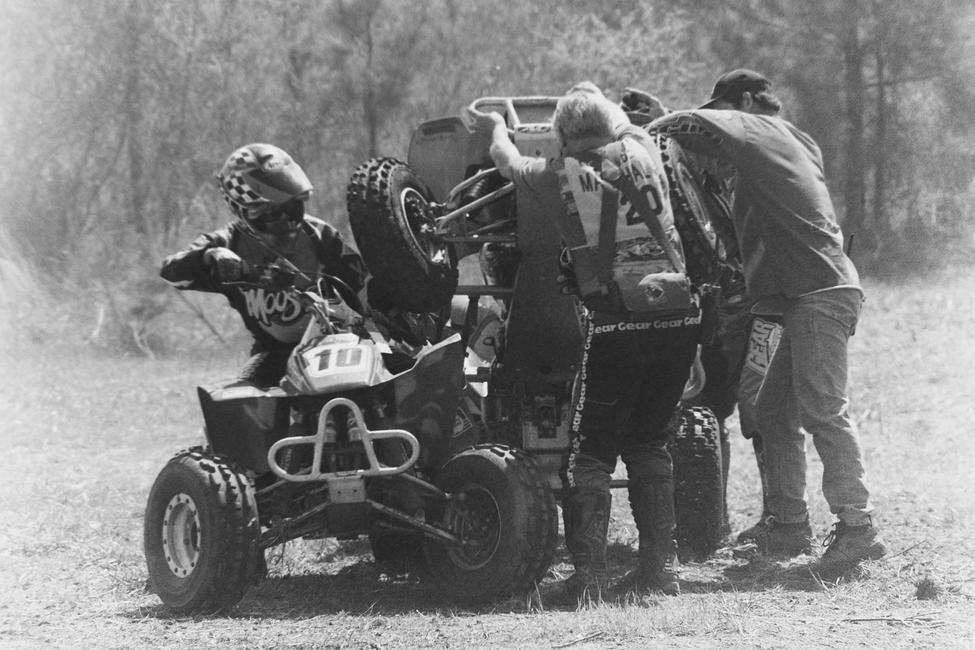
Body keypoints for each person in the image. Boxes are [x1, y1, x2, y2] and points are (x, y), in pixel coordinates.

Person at [466, 83, 702, 600]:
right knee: (649, 443)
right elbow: (617, 119)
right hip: (680, 316)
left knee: (591, 454)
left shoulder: (562, 173)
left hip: (618, 321)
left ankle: (591, 577)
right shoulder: (642, 147)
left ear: (566, 139)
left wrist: (497, 129)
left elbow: (507, 163)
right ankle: (660, 573)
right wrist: (591, 96)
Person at [650, 70, 886, 572]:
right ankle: (789, 524)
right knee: (775, 409)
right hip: (812, 293)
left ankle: (858, 526)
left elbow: (696, 123)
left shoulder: (763, 130)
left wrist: (650, 129)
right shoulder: (791, 140)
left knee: (824, 409)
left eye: (729, 109)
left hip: (819, 292)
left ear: (752, 101)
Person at [161, 143, 385, 387]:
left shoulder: (321, 236)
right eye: (269, 214)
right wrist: (210, 257)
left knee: (398, 362)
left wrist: (384, 339)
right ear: (241, 211)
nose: (286, 222)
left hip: (342, 341)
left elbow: (367, 291)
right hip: (275, 354)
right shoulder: (225, 242)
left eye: (292, 208)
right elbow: (171, 272)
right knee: (235, 404)